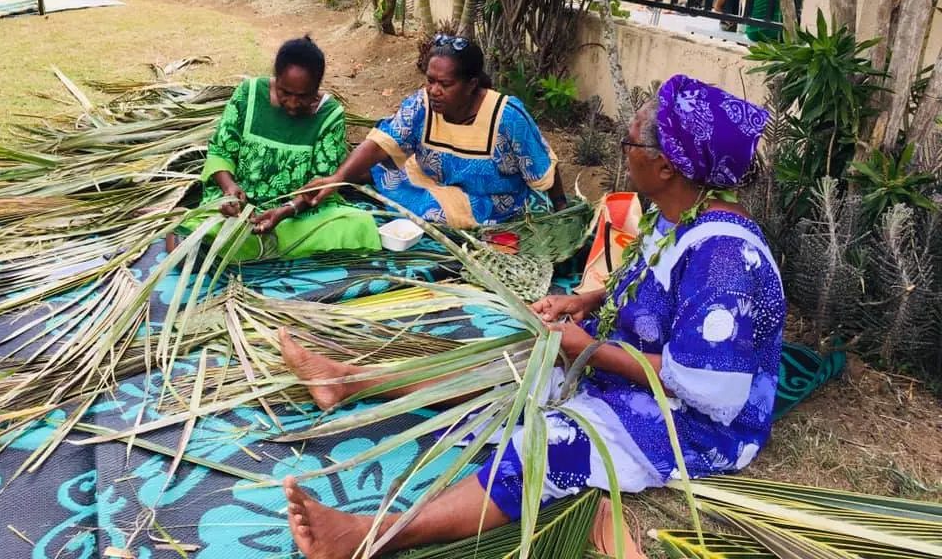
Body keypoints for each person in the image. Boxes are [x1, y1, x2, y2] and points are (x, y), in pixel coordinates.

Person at [278, 74, 786, 558]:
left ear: (666, 166)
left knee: (546, 448)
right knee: (508, 368)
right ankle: (349, 380)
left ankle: (373, 535)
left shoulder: (723, 258)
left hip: (695, 425)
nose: (623, 153)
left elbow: (708, 389)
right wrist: (585, 303)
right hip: (626, 368)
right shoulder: (677, 213)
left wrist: (586, 349)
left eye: (630, 145)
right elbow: (651, 280)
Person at [296, 35, 567, 229]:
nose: (433, 90)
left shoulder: (507, 117)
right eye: (430, 80)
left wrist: (562, 211)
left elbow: (544, 169)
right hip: (432, 181)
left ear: (471, 84)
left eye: (445, 84)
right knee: (380, 170)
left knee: (431, 211)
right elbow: (381, 143)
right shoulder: (422, 104)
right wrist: (335, 179)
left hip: (493, 201)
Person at [177, 36, 381, 260]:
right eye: (285, 92)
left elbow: (322, 183)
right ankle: (219, 240)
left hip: (297, 214)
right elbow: (220, 151)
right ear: (276, 79)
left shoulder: (330, 115)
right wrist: (229, 191)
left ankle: (241, 248)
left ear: (317, 87)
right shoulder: (249, 94)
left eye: (304, 96)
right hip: (238, 210)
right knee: (199, 234)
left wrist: (287, 210)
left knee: (358, 225)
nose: (293, 104)